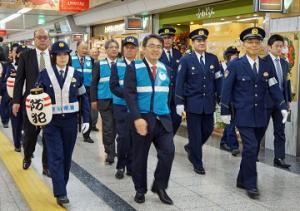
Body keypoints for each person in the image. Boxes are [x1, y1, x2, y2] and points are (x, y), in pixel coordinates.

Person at [220, 27, 288, 199]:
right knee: (250, 147)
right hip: (243, 114)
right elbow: (226, 89)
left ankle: (241, 179)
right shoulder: (235, 65)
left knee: (253, 148)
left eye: (257, 42)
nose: (254, 45)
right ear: (244, 44)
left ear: (261, 45)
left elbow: (274, 87)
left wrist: (281, 105)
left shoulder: (266, 65)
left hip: (262, 115)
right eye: (250, 42)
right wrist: (225, 110)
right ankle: (251, 184)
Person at [37, 41, 90, 206]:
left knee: (66, 157)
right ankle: (61, 192)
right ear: (54, 57)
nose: (62, 57)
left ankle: (62, 187)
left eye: (65, 54)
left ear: (69, 56)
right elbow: (37, 99)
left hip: (70, 122)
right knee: (56, 156)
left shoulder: (77, 75)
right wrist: (37, 119)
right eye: (59, 55)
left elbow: (84, 98)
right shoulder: (44, 75)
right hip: (51, 123)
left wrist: (86, 119)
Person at [124, 34, 175, 205]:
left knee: (168, 152)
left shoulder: (166, 69)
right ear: (144, 48)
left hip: (163, 119)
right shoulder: (134, 67)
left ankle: (160, 186)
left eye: (159, 46)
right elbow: (129, 94)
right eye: (152, 46)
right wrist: (137, 117)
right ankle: (140, 189)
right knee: (140, 157)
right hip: (142, 120)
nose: (155, 49)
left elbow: (167, 95)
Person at [175, 28, 222, 175]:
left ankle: (191, 148)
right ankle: (197, 162)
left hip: (208, 103)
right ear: (193, 43)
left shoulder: (213, 59)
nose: (201, 43)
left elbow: (218, 80)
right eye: (198, 41)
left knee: (208, 130)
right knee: (195, 134)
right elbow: (179, 82)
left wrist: (222, 98)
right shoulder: (186, 59)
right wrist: (179, 102)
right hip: (193, 103)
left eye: (203, 40)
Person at [12, 28, 50, 176]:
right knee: (30, 134)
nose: (42, 40)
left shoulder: (54, 57)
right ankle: (27, 155)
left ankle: (46, 165)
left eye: (45, 37)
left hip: (49, 102)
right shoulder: (26, 56)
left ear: (49, 39)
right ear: (34, 39)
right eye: (39, 37)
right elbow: (19, 79)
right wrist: (16, 100)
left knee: (49, 135)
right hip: (31, 102)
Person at [110, 36, 138, 179]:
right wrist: (129, 96)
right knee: (123, 138)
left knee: (134, 138)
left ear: (137, 50)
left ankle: (131, 166)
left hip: (137, 109)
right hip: (120, 107)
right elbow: (113, 86)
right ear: (123, 49)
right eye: (126, 47)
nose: (129, 49)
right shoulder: (116, 65)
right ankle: (120, 165)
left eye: (132, 47)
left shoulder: (140, 66)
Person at [263, 34, 292, 168]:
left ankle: (279, 158)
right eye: (277, 46)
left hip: (281, 104)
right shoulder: (263, 62)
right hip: (266, 102)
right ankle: (253, 155)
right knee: (260, 129)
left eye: (282, 46)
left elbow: (287, 83)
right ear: (270, 47)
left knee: (280, 131)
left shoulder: (285, 63)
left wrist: (288, 101)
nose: (280, 49)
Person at [91, 39, 118, 165]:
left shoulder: (122, 64)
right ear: (106, 50)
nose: (114, 49)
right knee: (108, 127)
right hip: (104, 100)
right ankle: (110, 151)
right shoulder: (99, 64)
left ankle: (112, 147)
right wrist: (93, 99)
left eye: (116, 47)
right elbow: (93, 83)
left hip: (119, 100)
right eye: (111, 47)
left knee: (117, 127)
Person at [0, 45, 27, 152]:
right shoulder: (7, 66)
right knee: (16, 124)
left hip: (26, 100)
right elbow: (2, 80)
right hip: (12, 99)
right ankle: (17, 144)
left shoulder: (28, 68)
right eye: (19, 53)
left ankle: (27, 146)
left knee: (27, 126)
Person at [158, 27, 182, 135]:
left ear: (173, 39)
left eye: (169, 37)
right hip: (162, 93)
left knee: (177, 119)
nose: (167, 40)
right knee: (164, 119)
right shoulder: (156, 53)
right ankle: (165, 141)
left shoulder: (178, 54)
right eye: (164, 38)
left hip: (176, 93)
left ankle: (168, 138)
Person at [71, 41, 96, 143]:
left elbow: (94, 76)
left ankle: (87, 135)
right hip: (74, 89)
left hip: (88, 90)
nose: (85, 50)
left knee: (87, 112)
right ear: (77, 48)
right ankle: (71, 133)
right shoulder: (70, 59)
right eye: (83, 48)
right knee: (73, 113)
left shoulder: (91, 60)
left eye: (86, 48)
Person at [219, 46, 240, 156]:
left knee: (230, 123)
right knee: (231, 123)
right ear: (227, 57)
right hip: (225, 100)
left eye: (237, 55)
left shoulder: (237, 67)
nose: (236, 57)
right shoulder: (220, 67)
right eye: (233, 55)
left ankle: (223, 142)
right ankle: (234, 146)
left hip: (236, 99)